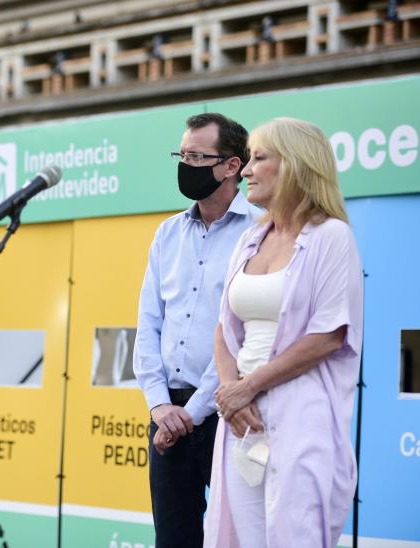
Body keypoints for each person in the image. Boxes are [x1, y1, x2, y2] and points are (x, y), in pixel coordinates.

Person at [205, 118, 363, 547]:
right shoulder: (250, 239)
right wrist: (229, 390)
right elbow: (223, 326)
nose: (246, 170)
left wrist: (247, 386)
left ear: (294, 164)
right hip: (242, 419)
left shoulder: (332, 237)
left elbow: (327, 336)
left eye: (259, 158)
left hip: (300, 415)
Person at [134, 113, 261, 547]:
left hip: (229, 411)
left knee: (237, 536)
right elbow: (148, 324)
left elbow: (237, 333)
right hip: (166, 415)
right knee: (173, 537)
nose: (185, 164)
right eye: (181, 154)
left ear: (232, 166)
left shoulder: (259, 231)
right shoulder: (167, 233)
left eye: (196, 155)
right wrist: (158, 406)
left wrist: (195, 411)